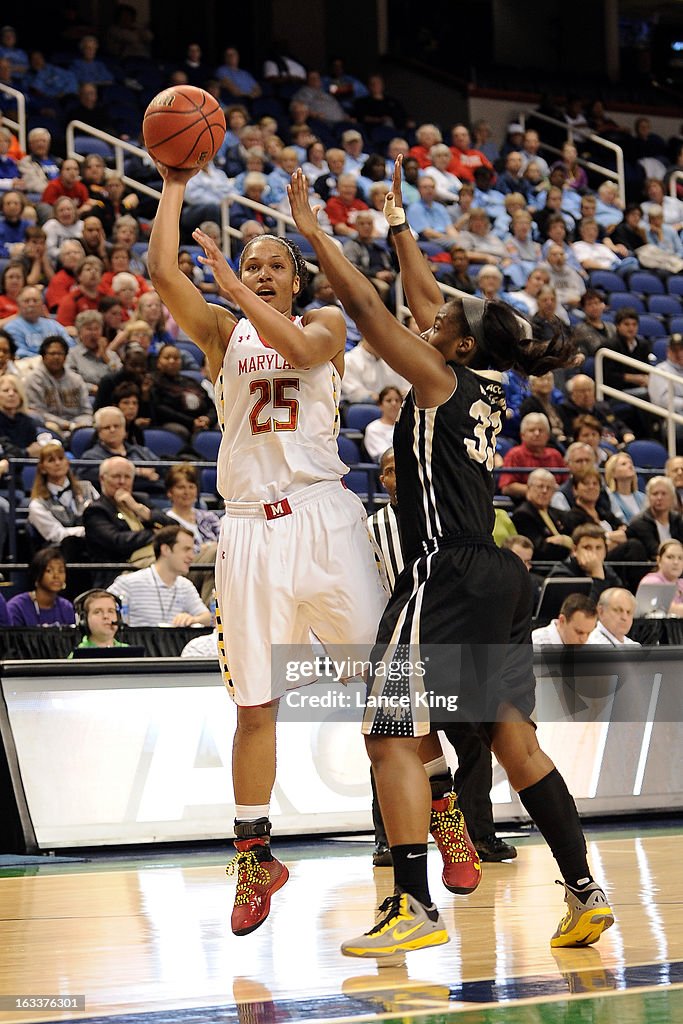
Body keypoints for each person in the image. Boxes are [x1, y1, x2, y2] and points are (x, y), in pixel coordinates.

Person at [286, 160, 612, 956]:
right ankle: (582, 891)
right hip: (500, 577)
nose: (424, 319)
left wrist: (316, 233)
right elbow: (432, 300)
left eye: (438, 324)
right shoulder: (485, 383)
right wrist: (398, 228)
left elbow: (367, 309)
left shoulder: (434, 377)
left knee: (388, 735)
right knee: (514, 741)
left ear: (458, 345)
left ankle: (410, 903)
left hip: (445, 572)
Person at [148, 160, 387, 941]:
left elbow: (302, 349)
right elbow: (159, 270)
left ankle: (443, 808)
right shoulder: (221, 332)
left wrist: (236, 287)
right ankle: (256, 856)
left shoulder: (323, 322)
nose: (257, 273)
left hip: (323, 515)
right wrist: (173, 180)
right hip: (248, 526)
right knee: (254, 704)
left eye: (272, 265)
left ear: (294, 277)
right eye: (250, 264)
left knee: (385, 683)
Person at [367, 447, 516, 868]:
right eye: (391, 471)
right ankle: (387, 840)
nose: (398, 477)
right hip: (396, 640)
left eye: (404, 468)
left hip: (449, 642)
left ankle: (480, 834)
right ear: (383, 480)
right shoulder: (370, 527)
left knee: (472, 741)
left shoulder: (443, 515)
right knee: (391, 741)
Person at [82, 456, 175, 586]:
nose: (122, 481)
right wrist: (155, 534)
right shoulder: (96, 510)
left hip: (155, 559)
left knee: (209, 556)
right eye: (116, 476)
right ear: (102, 479)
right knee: (171, 564)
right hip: (123, 570)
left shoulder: (140, 500)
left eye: (127, 477)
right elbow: (118, 542)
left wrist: (139, 509)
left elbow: (175, 527)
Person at [108, 524, 211, 627]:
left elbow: (208, 618)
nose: (192, 557)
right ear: (166, 549)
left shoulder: (185, 585)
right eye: (186, 549)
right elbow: (99, 606)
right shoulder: (129, 582)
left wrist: (193, 619)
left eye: (192, 551)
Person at [27, 440, 98, 555]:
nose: (57, 463)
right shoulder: (38, 504)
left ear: (67, 462)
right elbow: (57, 534)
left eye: (61, 458)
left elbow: (103, 515)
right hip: (61, 553)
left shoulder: (87, 488)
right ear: (42, 468)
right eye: (51, 460)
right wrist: (91, 531)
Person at [24, 336, 92, 442]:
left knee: (87, 435)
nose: (56, 357)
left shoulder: (76, 379)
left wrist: (79, 424)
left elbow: (86, 411)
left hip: (77, 428)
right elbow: (37, 412)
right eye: (52, 353)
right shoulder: (34, 379)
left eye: (60, 354)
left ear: (65, 357)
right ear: (43, 356)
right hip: (48, 427)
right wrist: (66, 424)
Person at [498, 412, 567, 502]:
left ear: (548, 435)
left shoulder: (555, 455)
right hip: (524, 504)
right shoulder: (515, 454)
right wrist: (538, 490)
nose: (537, 433)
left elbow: (566, 483)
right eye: (532, 430)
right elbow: (506, 487)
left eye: (541, 430)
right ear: (522, 435)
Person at [510, 468, 573, 562]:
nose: (544, 491)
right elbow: (540, 550)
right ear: (529, 488)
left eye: (549, 488)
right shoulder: (523, 514)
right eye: (540, 486)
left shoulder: (556, 512)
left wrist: (563, 540)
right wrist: (567, 544)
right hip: (542, 568)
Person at [547, 523, 623, 602]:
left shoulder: (608, 571)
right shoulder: (561, 575)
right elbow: (585, 611)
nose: (594, 553)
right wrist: (597, 575)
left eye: (598, 548)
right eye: (587, 548)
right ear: (574, 550)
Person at [7, 546, 75, 626]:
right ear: (37, 574)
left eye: (61, 571)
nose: (56, 576)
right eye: (49, 571)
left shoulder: (66, 607)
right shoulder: (17, 607)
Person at [626, 476, 683, 561]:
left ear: (672, 497)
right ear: (648, 497)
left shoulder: (678, 519)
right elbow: (654, 551)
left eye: (664, 493)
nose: (659, 498)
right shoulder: (639, 522)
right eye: (655, 494)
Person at [69, 589, 128, 654]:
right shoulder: (78, 656)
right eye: (97, 612)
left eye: (111, 611)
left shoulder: (129, 652)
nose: (106, 616)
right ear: (84, 620)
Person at [636, 539, 683, 617]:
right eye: (670, 557)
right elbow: (664, 608)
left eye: (680, 558)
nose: (676, 562)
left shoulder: (681, 583)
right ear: (659, 560)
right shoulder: (650, 582)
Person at [532, 593, 598, 646]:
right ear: (562, 621)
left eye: (589, 633)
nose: (584, 640)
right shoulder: (535, 644)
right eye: (579, 632)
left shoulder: (591, 643)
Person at [604, 452, 647, 524]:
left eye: (631, 463)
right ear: (613, 473)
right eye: (624, 464)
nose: (630, 466)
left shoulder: (643, 498)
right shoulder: (609, 498)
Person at [363, 386, 402, 462]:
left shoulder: (408, 426)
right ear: (380, 405)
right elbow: (385, 457)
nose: (394, 403)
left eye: (397, 400)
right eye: (389, 400)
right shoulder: (373, 428)